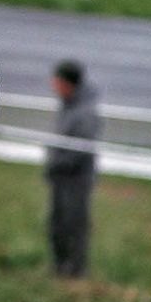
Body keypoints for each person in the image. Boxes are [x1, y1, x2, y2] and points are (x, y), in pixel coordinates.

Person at [45, 60, 101, 277]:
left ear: (69, 83)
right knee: (57, 223)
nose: (54, 85)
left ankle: (76, 270)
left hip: (76, 179)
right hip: (60, 177)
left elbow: (81, 149)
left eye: (58, 81)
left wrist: (58, 164)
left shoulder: (85, 112)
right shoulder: (67, 105)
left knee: (74, 224)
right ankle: (60, 267)